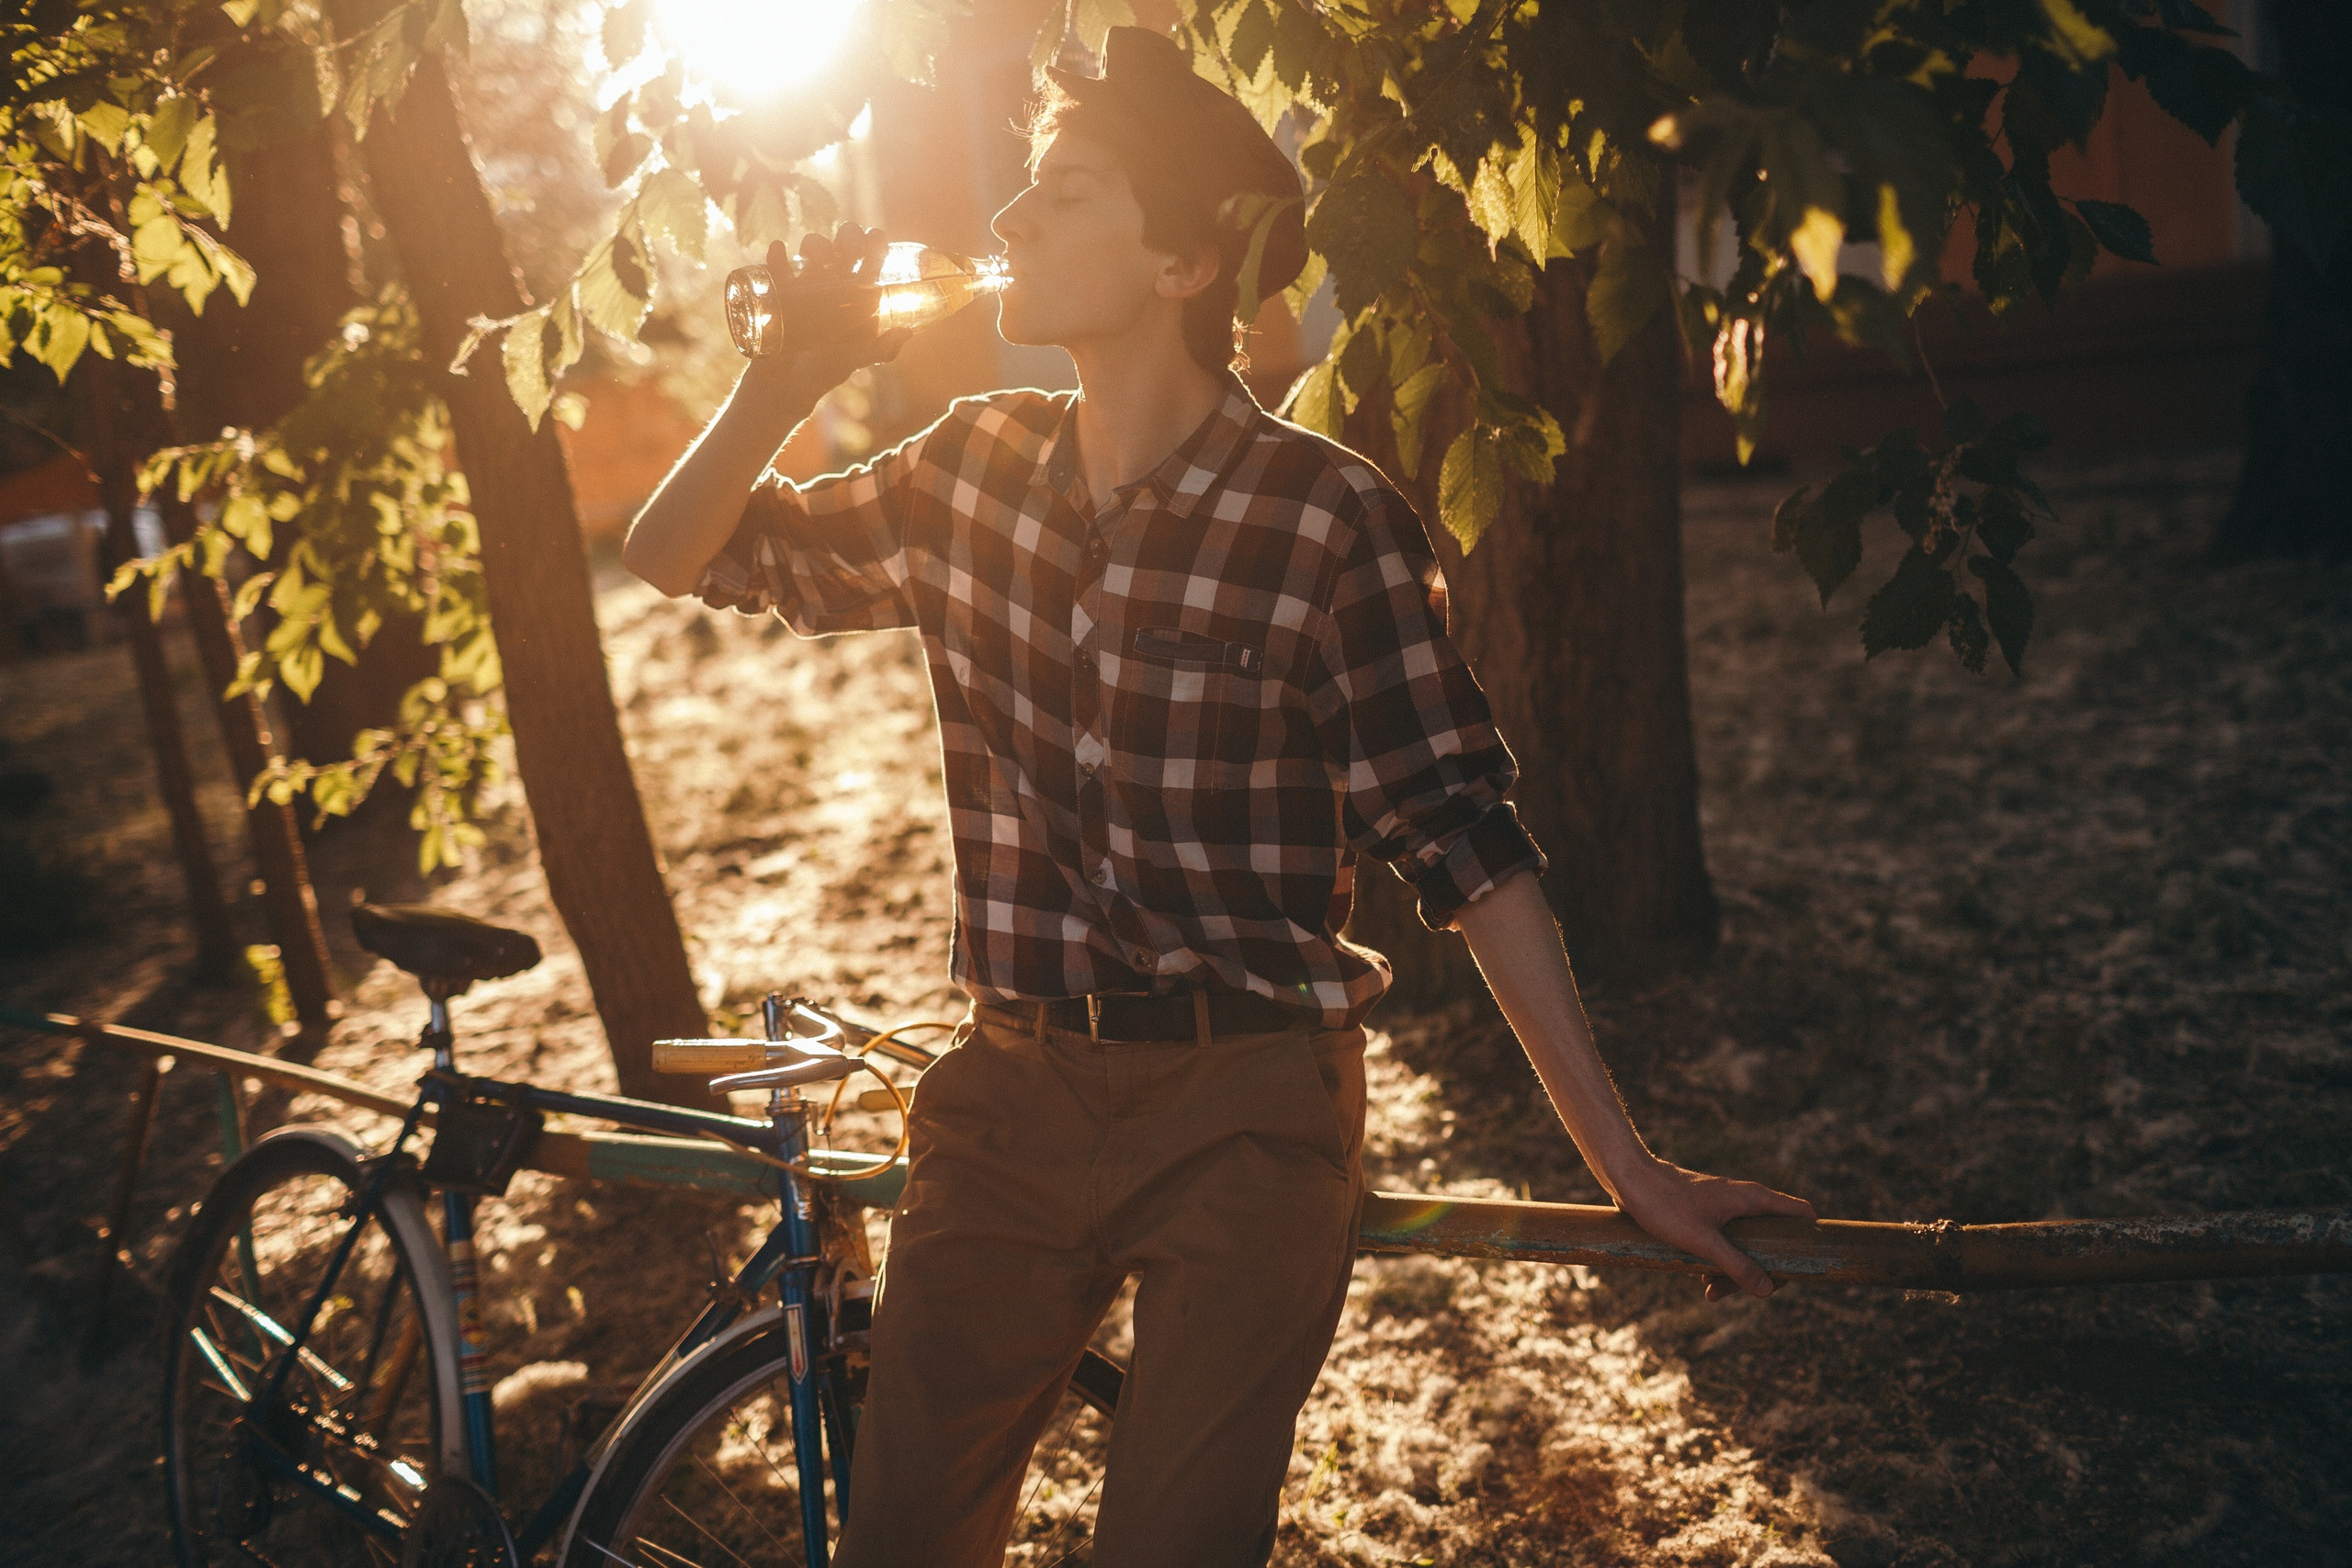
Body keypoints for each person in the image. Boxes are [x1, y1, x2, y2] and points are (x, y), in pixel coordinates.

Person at [623, 26, 1812, 1567]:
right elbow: (681, 550)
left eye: (1064, 196)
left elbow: (1467, 845)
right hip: (1009, 1099)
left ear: (1183, 265)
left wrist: (1629, 1169)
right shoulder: (965, 468)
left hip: (1251, 1111)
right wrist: (784, 376)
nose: (1008, 226)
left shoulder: (1327, 519)